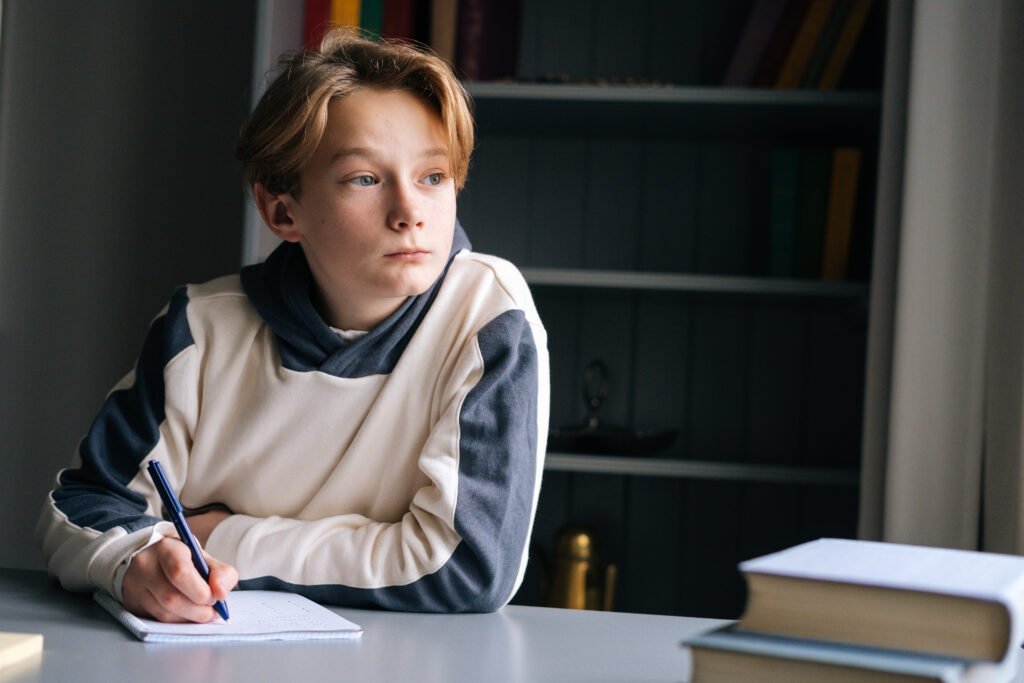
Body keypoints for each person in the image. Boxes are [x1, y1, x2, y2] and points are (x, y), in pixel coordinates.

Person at [36, 28, 549, 623]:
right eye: (365, 178)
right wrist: (133, 564)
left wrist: (224, 539)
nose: (411, 213)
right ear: (283, 211)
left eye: (432, 177)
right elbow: (82, 504)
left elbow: (467, 566)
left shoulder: (487, 315)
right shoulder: (200, 330)